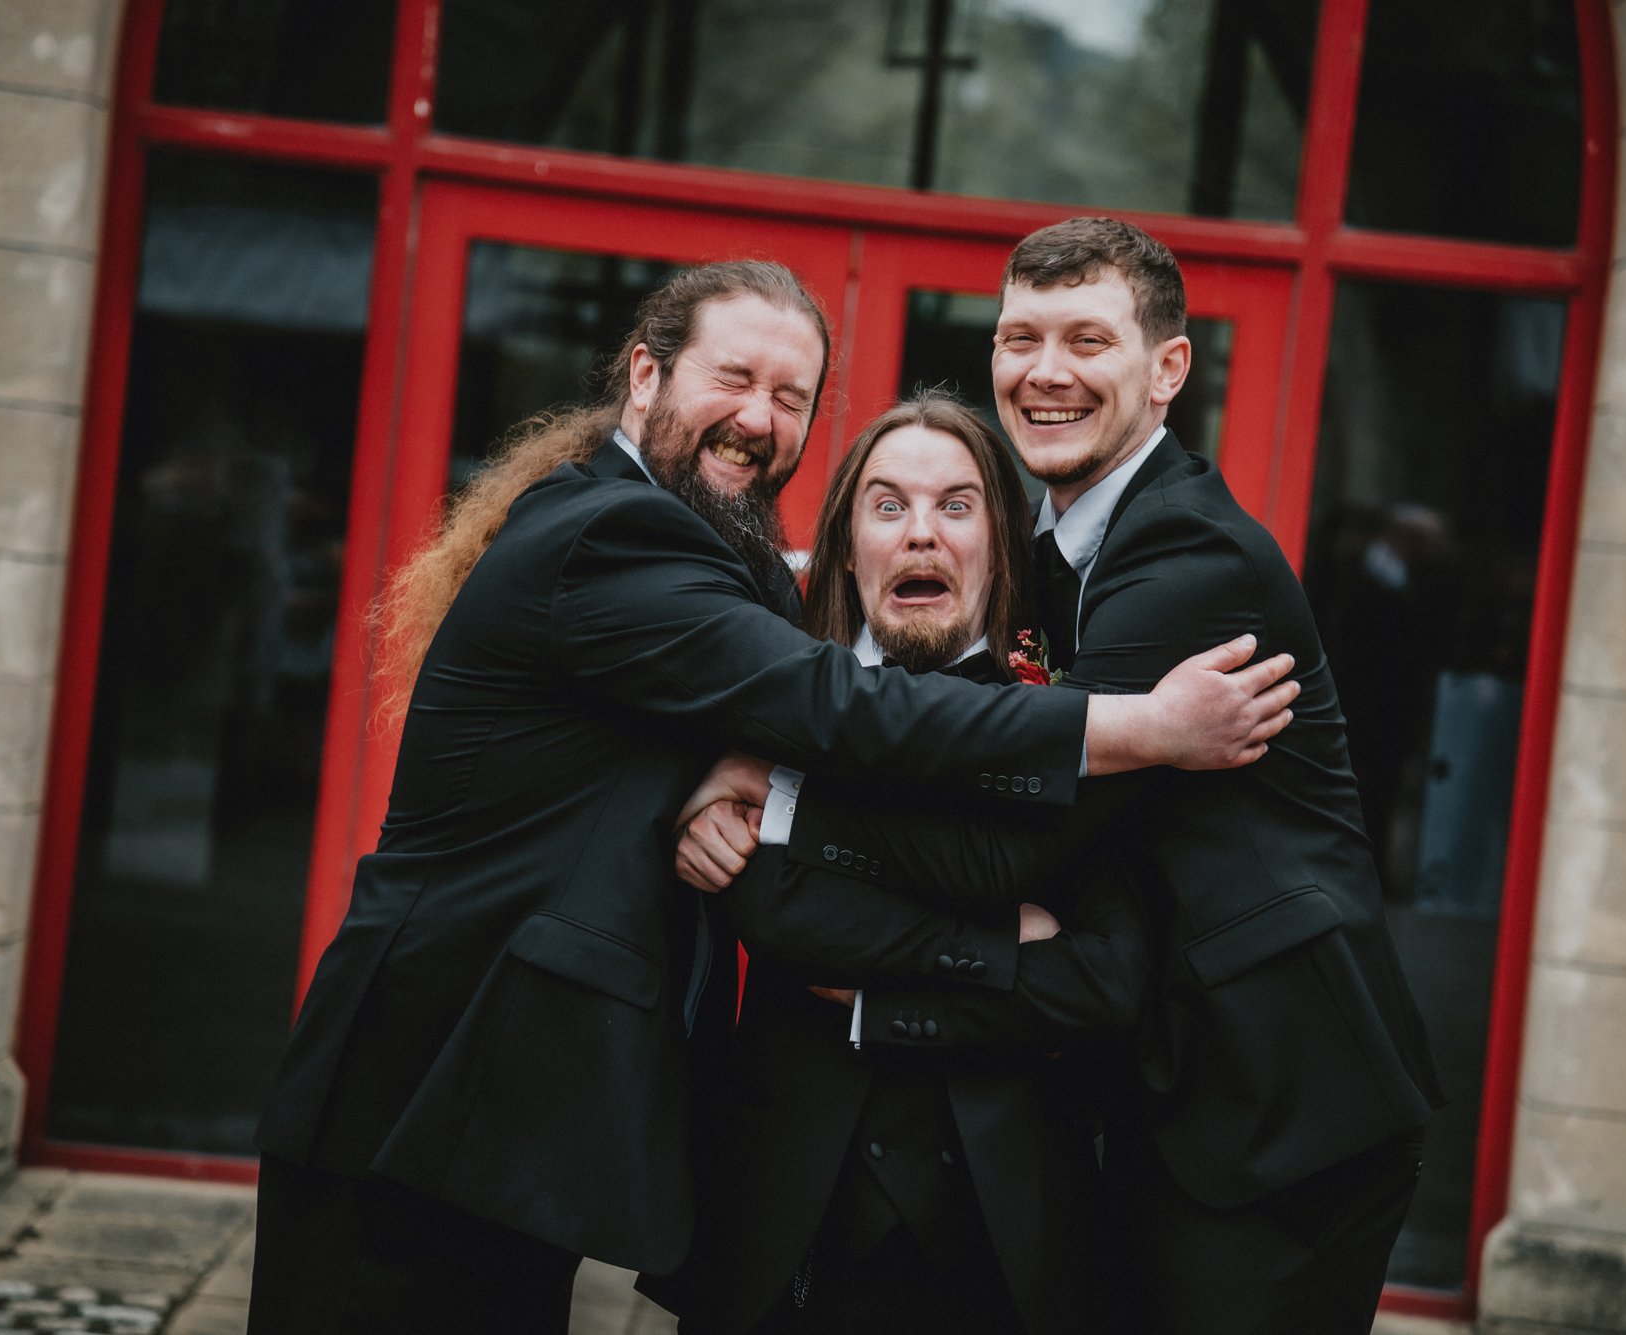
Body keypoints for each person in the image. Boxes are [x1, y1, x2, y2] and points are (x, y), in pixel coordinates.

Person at [244, 259, 1297, 1334]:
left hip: (502, 1124)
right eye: (733, 378)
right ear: (643, 376)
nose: (758, 418)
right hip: (423, 1099)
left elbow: (795, 680)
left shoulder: (691, 545)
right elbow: (829, 698)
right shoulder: (611, 534)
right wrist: (1142, 728)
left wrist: (753, 771)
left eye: (791, 398)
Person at [688, 220, 1443, 1333]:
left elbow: (1013, 845)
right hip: (1162, 1083)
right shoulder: (1051, 551)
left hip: (1274, 1093)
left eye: (1086, 339)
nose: (1043, 372)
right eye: (1018, 337)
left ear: (1167, 368)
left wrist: (787, 790)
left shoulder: (1185, 557)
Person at [665, 392, 1151, 1335]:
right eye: (888, 506)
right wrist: (1008, 942)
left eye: (955, 505)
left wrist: (882, 996)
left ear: (1000, 545)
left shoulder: (1072, 722)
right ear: (848, 546)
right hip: (784, 1221)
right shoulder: (776, 707)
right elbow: (780, 918)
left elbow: (1107, 980)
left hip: (1002, 1239)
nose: (921, 533)